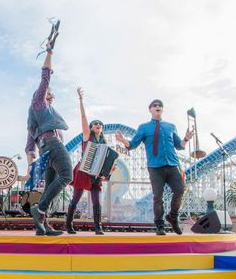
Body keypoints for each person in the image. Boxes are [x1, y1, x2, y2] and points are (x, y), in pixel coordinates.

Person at [115, 99, 193, 235]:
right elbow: (132, 145)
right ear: (150, 109)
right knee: (158, 197)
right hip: (155, 167)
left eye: (160, 105)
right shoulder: (143, 127)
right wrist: (122, 140)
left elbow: (179, 146)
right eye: (155, 105)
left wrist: (186, 138)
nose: (158, 107)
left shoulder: (171, 126)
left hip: (172, 164)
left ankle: (172, 217)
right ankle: (159, 225)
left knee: (180, 190)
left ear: (162, 109)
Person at [25, 41, 70, 236]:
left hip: (45, 149)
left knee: (50, 187)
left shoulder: (38, 118)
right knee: (67, 176)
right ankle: (40, 209)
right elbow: (45, 78)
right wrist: (49, 54)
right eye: (48, 93)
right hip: (52, 145)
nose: (50, 95)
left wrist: (31, 164)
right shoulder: (38, 103)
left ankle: (42, 226)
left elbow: (29, 145)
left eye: (52, 94)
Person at [66, 87, 110, 235]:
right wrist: (81, 100)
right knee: (76, 198)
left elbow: (107, 160)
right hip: (83, 171)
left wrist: (106, 171)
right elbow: (83, 117)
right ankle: (68, 224)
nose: (98, 124)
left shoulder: (104, 143)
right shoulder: (87, 136)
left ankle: (98, 227)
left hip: (96, 175)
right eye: (95, 123)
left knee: (97, 201)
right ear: (91, 127)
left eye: (100, 124)